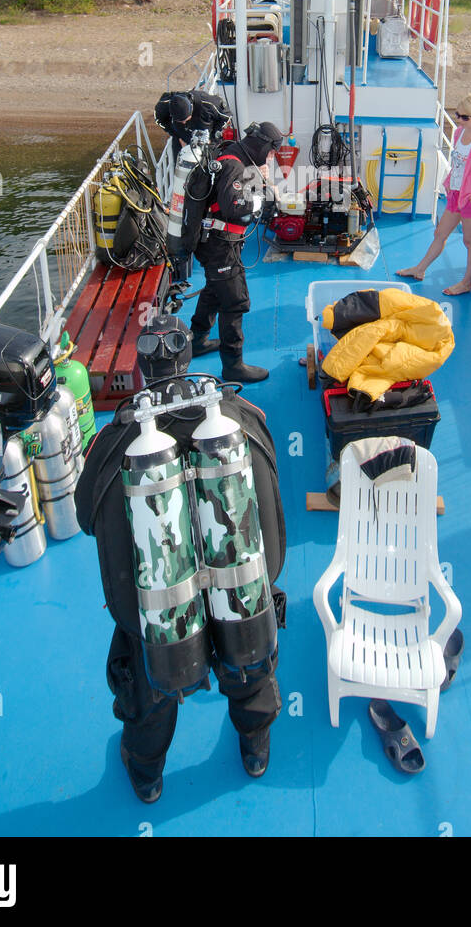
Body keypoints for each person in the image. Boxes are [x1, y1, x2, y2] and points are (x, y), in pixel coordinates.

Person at [75, 315, 285, 805]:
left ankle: (147, 772)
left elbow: (87, 517)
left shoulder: (116, 443)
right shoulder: (240, 417)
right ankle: (255, 745)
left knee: (150, 680)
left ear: (144, 371)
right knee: (250, 662)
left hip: (156, 604)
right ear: (189, 360)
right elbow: (272, 498)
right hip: (241, 588)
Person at [189, 120, 283, 383]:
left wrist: (259, 183)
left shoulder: (235, 156)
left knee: (213, 288)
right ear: (261, 145)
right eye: (272, 150)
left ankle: (197, 339)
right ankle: (233, 365)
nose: (272, 156)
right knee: (234, 301)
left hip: (214, 240)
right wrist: (262, 198)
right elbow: (233, 207)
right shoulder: (233, 165)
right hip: (220, 243)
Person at [397, 92, 471, 294]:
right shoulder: (458, 133)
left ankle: (467, 283)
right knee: (440, 233)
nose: (459, 120)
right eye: (457, 115)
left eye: (464, 117)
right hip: (456, 194)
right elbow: (458, 164)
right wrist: (450, 182)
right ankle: (420, 269)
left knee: (469, 242)